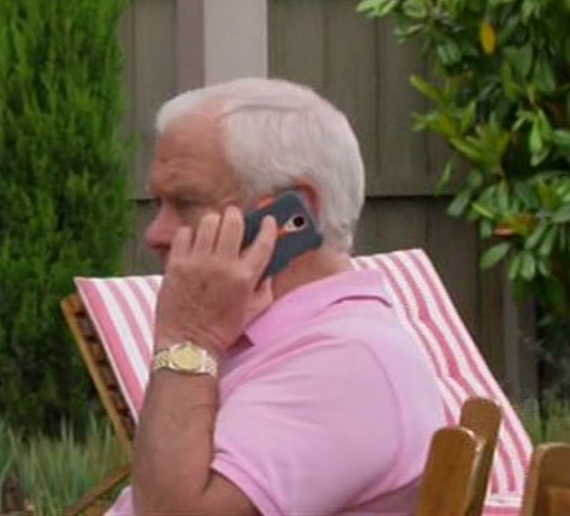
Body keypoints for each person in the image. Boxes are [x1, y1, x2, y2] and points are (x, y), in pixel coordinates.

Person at [110, 77, 445, 516]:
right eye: (159, 205)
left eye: (187, 203)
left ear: (292, 217)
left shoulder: (346, 361)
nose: (155, 234)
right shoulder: (272, 340)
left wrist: (187, 341)